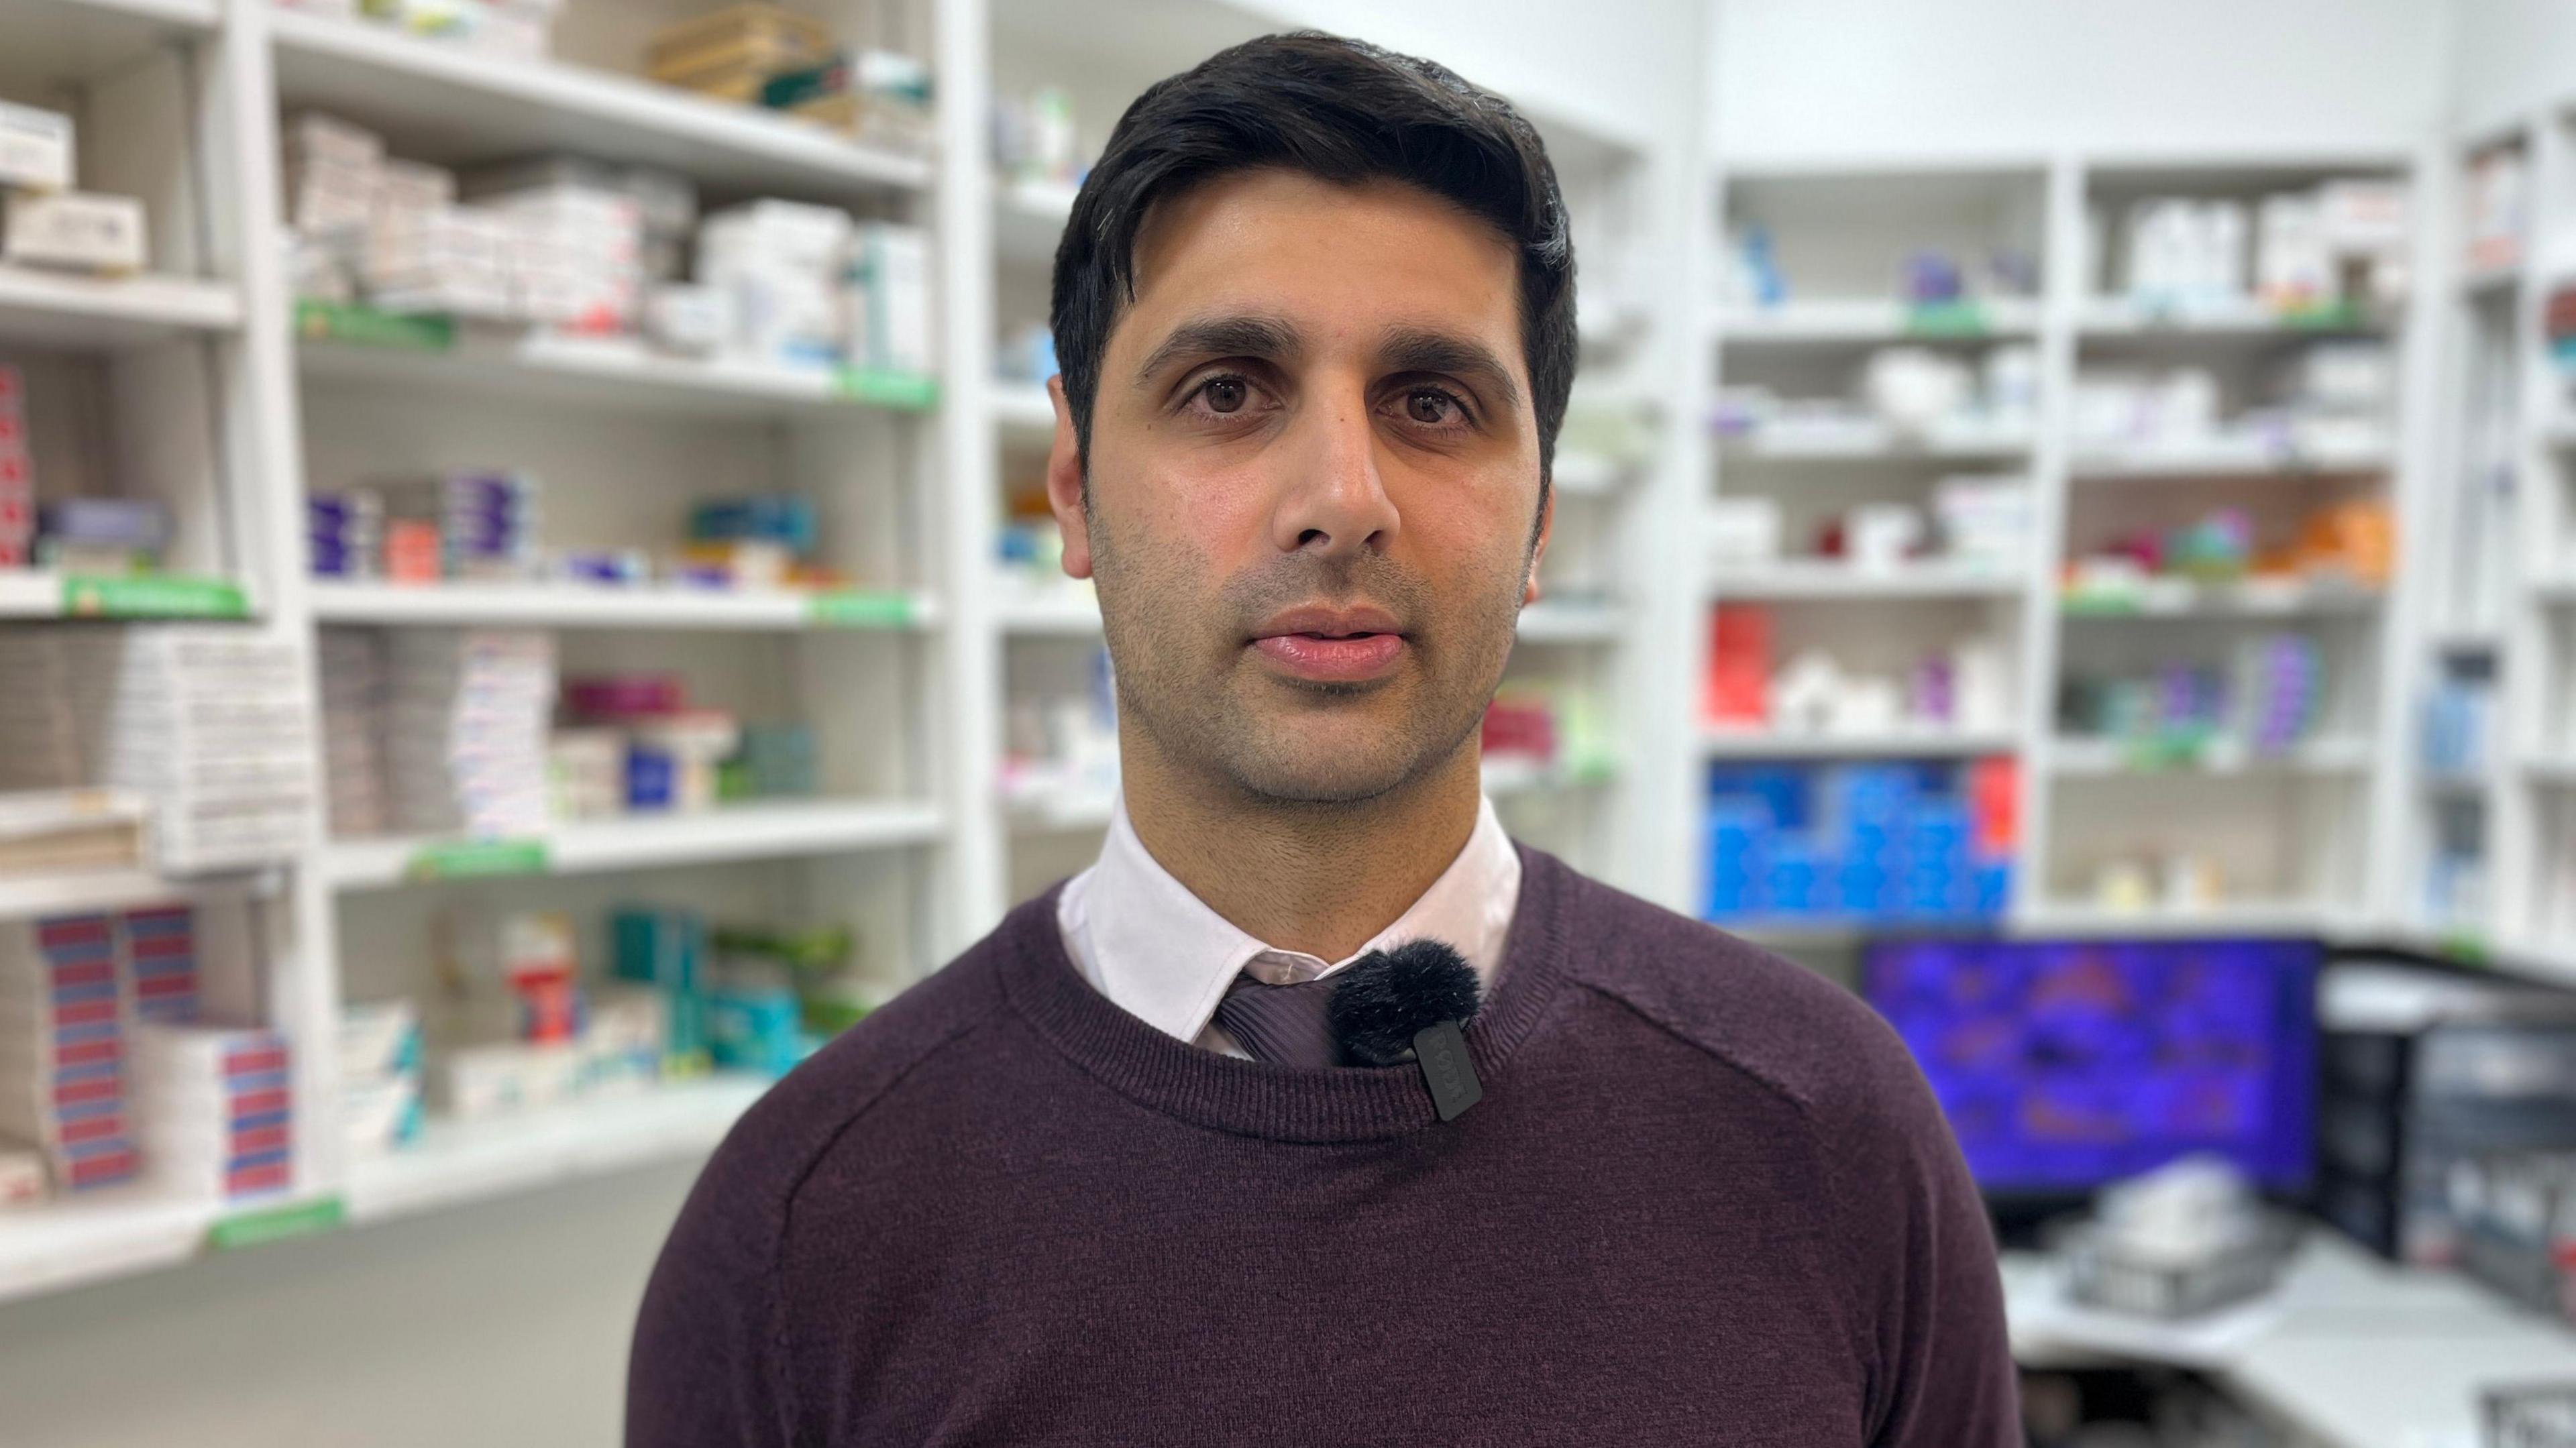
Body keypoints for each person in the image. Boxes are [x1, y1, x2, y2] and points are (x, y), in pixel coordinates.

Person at [629, 30, 2016, 1446]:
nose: (1342, 498)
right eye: (1227, 389)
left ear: (1541, 518)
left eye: (1433, 403)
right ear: (1073, 482)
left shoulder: (1826, 1129)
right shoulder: (805, 1226)